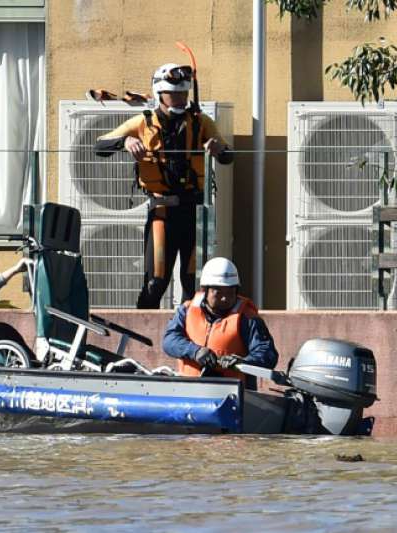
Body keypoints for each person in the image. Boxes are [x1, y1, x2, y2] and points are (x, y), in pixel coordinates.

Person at [94, 62, 234, 308]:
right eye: (174, 93)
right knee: (155, 282)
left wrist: (218, 148)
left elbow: (228, 155)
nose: (181, 98)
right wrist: (125, 141)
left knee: (194, 283)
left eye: (184, 93)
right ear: (159, 93)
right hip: (162, 212)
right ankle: (142, 339)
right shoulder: (143, 122)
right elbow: (100, 145)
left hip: (195, 211)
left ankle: (188, 338)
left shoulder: (201, 122)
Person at [161, 257, 278, 388]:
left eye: (230, 292)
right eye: (218, 292)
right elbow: (169, 340)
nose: (224, 298)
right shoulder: (187, 310)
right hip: (189, 393)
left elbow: (268, 354)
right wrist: (195, 351)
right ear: (204, 290)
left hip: (232, 396)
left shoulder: (248, 318)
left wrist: (243, 362)